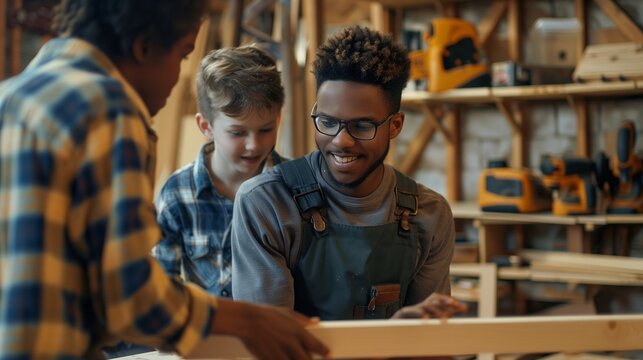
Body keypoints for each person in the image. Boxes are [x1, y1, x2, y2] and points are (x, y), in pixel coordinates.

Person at [0, 1, 328, 359]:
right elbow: (131, 298)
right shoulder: (108, 109)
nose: (177, 78)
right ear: (144, 48)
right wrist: (249, 322)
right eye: (183, 54)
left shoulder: (13, 96)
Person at [231, 25, 467, 320]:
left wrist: (407, 339)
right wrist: (389, 340)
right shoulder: (268, 204)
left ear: (395, 126)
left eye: (362, 126)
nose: (341, 141)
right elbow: (268, 343)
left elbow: (430, 346)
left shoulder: (429, 215)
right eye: (328, 122)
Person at [152, 45, 286, 298]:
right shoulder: (177, 194)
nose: (253, 144)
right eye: (237, 133)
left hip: (276, 330)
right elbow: (161, 284)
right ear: (206, 126)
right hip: (210, 332)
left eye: (266, 130)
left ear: (278, 118)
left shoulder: (293, 187)